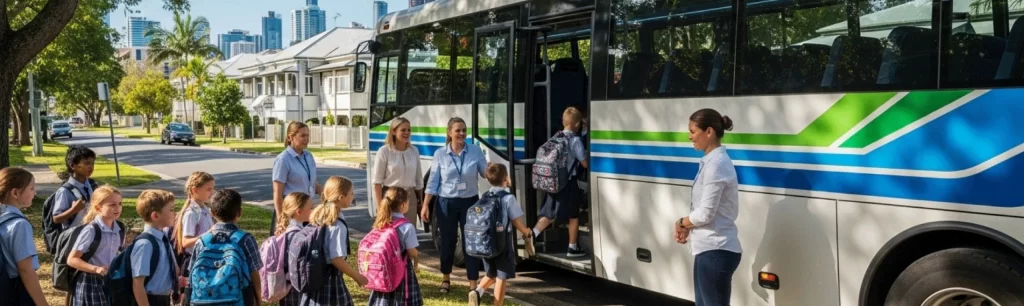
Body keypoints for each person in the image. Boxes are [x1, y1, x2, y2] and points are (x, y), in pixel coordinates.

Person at [674, 108, 742, 306]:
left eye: (693, 131)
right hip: (709, 249)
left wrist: (681, 223)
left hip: (716, 250)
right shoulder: (712, 162)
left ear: (709, 131)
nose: (690, 136)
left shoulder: (716, 164)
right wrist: (687, 226)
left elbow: (705, 213)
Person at [421, 117, 488, 293]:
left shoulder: (475, 151)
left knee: (471, 243)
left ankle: (472, 283)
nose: (462, 133)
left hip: (470, 202)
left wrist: (495, 172)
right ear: (449, 133)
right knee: (447, 241)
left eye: (464, 130)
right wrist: (425, 205)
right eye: (458, 130)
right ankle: (446, 278)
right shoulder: (440, 154)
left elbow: (485, 172)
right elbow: (433, 182)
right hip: (446, 203)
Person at [469, 164, 533, 306]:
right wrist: (526, 232)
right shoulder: (508, 198)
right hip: (502, 242)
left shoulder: (485, 195)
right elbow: (516, 221)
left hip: (485, 241)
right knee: (501, 277)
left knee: (491, 273)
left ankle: (476, 292)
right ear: (506, 179)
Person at [188, 189, 263, 306]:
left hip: (202, 301)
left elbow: (191, 273)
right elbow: (254, 273)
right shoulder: (245, 239)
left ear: (212, 213)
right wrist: (258, 299)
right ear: (239, 212)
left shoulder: (202, 241)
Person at [532, 107, 589, 257]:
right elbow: (585, 163)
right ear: (577, 124)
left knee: (549, 213)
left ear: (564, 121)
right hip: (568, 183)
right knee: (573, 215)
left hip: (553, 182)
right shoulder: (575, 140)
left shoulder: (556, 136)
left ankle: (531, 235)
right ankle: (572, 247)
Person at [301, 176, 367, 306]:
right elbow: (336, 258)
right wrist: (357, 276)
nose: (353, 196)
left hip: (315, 275)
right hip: (330, 280)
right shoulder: (337, 224)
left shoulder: (319, 214)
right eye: (351, 193)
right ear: (341, 197)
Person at [0, 167, 50, 306]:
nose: (35, 193)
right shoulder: (19, 224)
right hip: (15, 291)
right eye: (31, 188)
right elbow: (25, 269)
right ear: (15, 193)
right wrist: (42, 303)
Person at [68, 185, 124, 306]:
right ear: (98, 208)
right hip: (90, 282)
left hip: (110, 280)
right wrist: (96, 269)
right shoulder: (91, 230)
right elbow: (72, 259)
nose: (118, 208)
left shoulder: (120, 228)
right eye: (112, 205)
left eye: (120, 204)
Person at [367, 188, 423, 306]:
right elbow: (411, 251)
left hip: (382, 269)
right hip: (401, 270)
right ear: (403, 205)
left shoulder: (381, 222)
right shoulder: (407, 226)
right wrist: (416, 255)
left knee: (383, 293)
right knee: (401, 298)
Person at [172, 171, 215, 305]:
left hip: (205, 259)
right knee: (190, 299)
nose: (212, 192)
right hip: (193, 262)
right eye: (208, 189)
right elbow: (185, 242)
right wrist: (209, 234)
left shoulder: (205, 209)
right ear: (195, 190)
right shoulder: (191, 213)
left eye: (212, 189)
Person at [272, 121, 322, 235]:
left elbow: (312, 183)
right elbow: (277, 194)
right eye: (302, 136)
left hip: (306, 212)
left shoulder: (308, 156)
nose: (306, 139)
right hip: (291, 214)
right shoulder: (283, 160)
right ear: (290, 137)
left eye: (308, 135)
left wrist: (328, 194)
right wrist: (281, 221)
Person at [131, 190, 180, 306]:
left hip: (164, 298)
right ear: (155, 216)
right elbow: (138, 284)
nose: (175, 214)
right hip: (150, 300)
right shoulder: (145, 244)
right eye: (171, 210)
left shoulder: (163, 239)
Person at [372, 116, 423, 225]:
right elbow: (377, 182)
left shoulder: (414, 151)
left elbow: (419, 179)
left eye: (409, 130)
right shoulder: (384, 151)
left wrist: (421, 202)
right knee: (390, 231)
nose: (407, 133)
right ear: (394, 131)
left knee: (408, 230)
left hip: (409, 198)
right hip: (390, 198)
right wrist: (380, 207)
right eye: (403, 130)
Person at [272, 192, 312, 306]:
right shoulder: (296, 235)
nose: (313, 210)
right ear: (299, 212)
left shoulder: (287, 231)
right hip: (295, 286)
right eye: (310, 208)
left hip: (288, 285)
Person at [53, 146, 97, 228]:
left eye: (92, 163)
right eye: (86, 163)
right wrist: (73, 210)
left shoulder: (92, 185)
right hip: (74, 234)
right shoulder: (64, 191)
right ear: (73, 166)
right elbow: (56, 219)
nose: (91, 167)